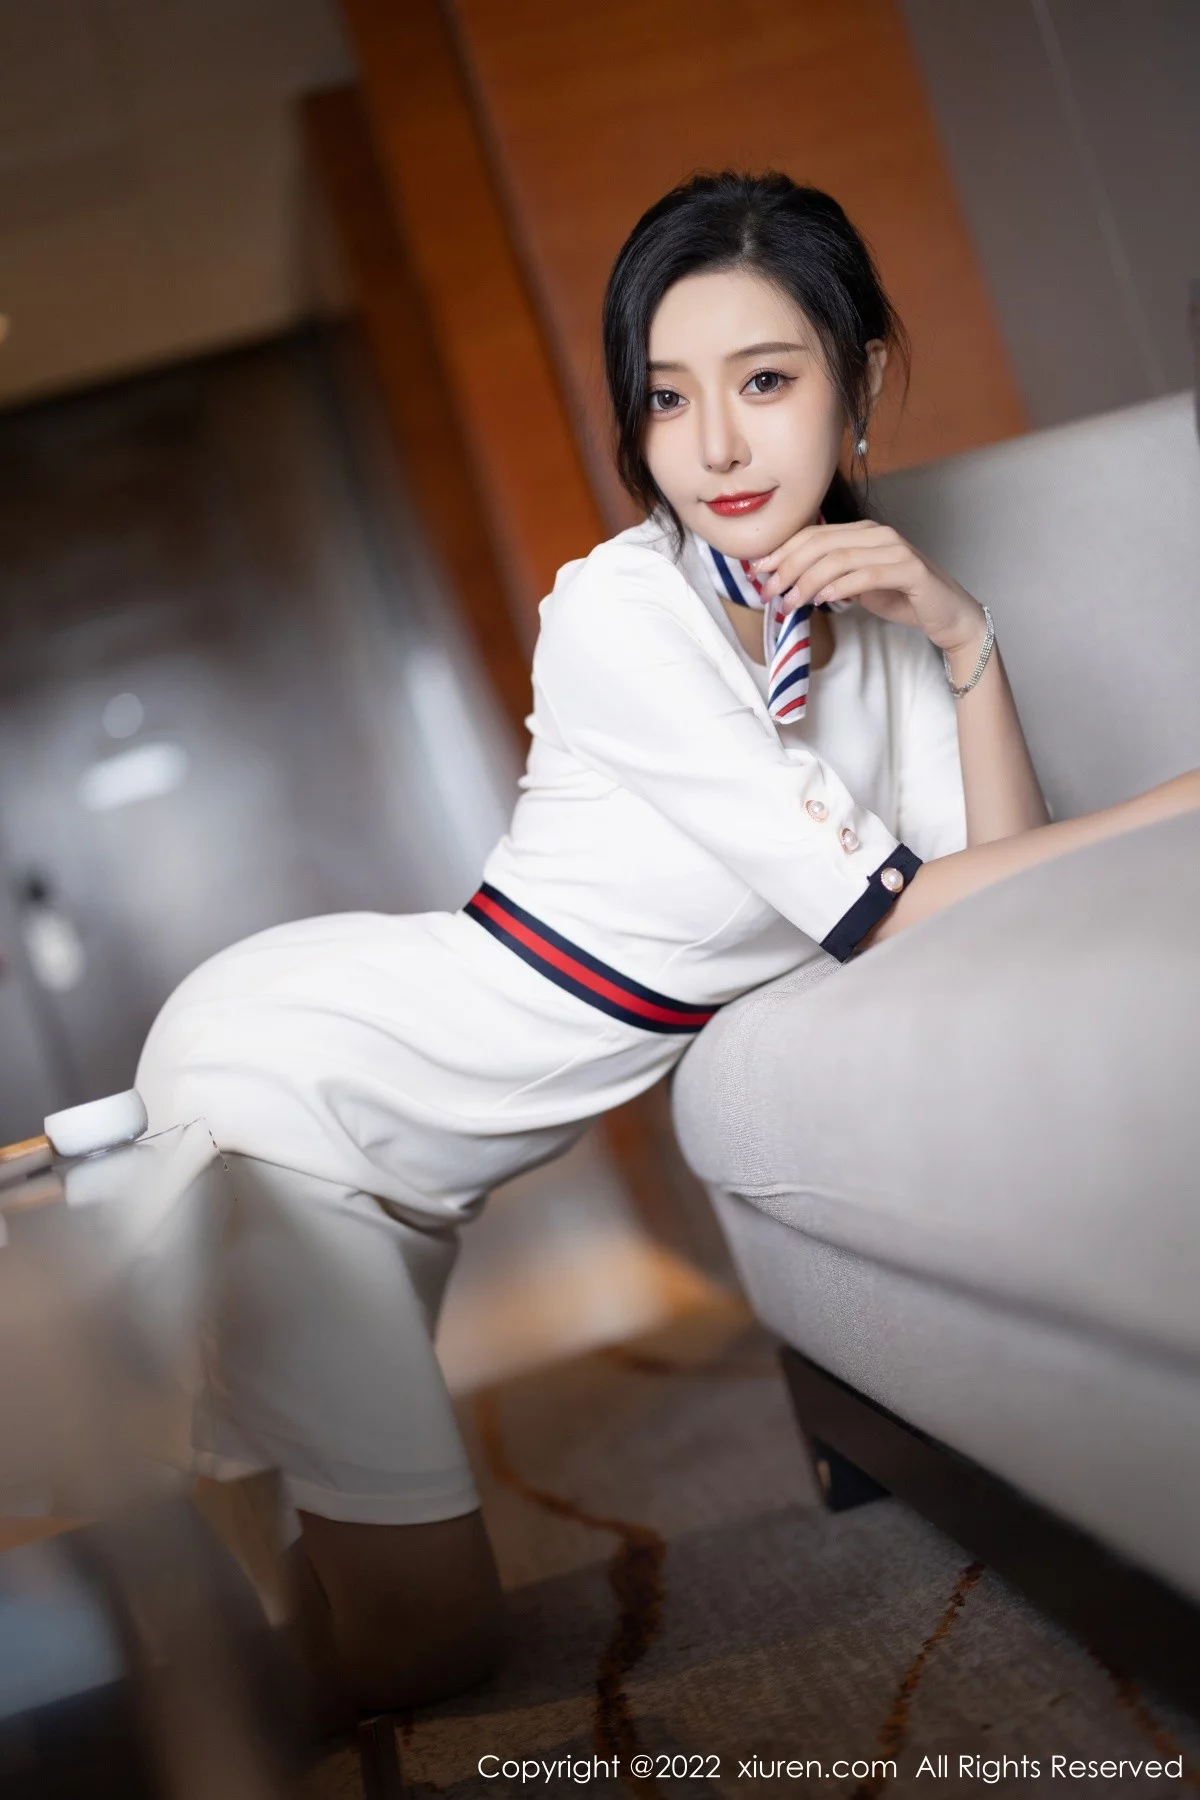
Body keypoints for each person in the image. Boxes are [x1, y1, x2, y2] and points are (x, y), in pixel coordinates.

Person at [136, 171, 1200, 1731]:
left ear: (857, 383)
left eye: (765, 382)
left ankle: (207, 1651)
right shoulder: (619, 613)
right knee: (430, 1646)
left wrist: (965, 638)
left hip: (421, 1166)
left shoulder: (874, 621)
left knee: (351, 1575)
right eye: (667, 397)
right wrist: (1180, 802)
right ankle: (141, 1728)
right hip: (297, 1092)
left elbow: (985, 907)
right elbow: (888, 907)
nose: (715, 448)